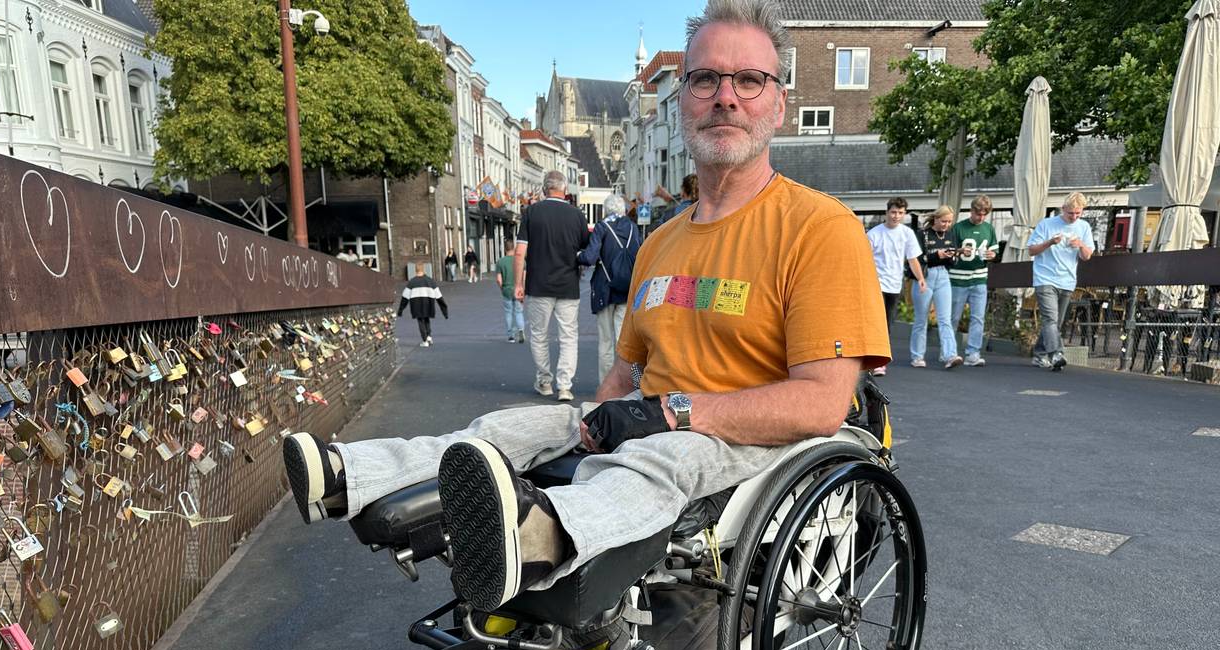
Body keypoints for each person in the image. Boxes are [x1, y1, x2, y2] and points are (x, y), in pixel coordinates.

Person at [282, 0, 889, 613]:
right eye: (705, 79)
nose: (725, 97)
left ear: (778, 103)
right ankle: (355, 479)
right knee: (508, 430)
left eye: (749, 80)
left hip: (748, 439)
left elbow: (820, 401)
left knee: (658, 456)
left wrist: (671, 413)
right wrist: (591, 424)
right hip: (653, 413)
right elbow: (625, 376)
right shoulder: (660, 244)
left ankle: (539, 536)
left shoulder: (820, 228)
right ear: (682, 101)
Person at [514, 170, 590, 402]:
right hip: (568, 286)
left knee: (539, 335)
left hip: (538, 285)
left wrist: (518, 284)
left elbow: (519, 252)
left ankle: (545, 381)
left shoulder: (531, 213)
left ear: (544, 189)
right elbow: (584, 251)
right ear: (565, 189)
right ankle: (565, 386)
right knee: (568, 336)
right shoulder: (577, 215)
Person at [579, 193, 644, 383]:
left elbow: (590, 257)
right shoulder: (633, 228)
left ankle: (607, 387)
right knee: (624, 343)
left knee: (606, 342)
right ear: (623, 210)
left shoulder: (601, 227)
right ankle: (630, 384)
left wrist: (577, 256)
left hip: (605, 290)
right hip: (627, 289)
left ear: (606, 210)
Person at [1027, 192, 1095, 371]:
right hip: (1045, 277)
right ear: (1063, 209)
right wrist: (1050, 242)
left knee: (1056, 322)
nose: (1074, 217)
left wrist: (1081, 245)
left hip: (1067, 280)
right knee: (1050, 318)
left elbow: (1087, 256)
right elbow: (1032, 250)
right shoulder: (1047, 224)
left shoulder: (1084, 227)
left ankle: (1040, 354)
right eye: (1070, 213)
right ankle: (1056, 353)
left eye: (1078, 213)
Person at [865, 197, 925, 376]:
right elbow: (865, 259)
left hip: (894, 284)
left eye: (900, 213)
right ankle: (875, 362)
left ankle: (881, 358)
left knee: (888, 323)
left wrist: (920, 278)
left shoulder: (906, 233)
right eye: (893, 212)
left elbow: (912, 258)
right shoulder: (875, 234)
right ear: (887, 212)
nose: (896, 216)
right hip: (876, 284)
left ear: (904, 214)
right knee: (877, 321)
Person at [949, 195, 1003, 366]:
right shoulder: (958, 228)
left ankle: (973, 353)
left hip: (979, 277)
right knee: (953, 318)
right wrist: (959, 251)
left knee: (978, 317)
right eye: (978, 214)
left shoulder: (989, 229)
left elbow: (995, 252)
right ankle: (949, 351)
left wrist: (993, 255)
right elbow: (948, 251)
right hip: (958, 279)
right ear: (971, 211)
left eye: (984, 215)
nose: (980, 217)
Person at [910, 205, 961, 369]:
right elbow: (917, 259)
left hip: (944, 275)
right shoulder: (922, 234)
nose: (946, 225)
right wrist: (936, 255)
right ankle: (917, 356)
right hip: (926, 275)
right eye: (943, 221)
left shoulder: (950, 234)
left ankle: (950, 354)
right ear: (935, 219)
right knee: (921, 318)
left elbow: (953, 261)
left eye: (949, 222)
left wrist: (952, 256)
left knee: (945, 318)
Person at [395, 265, 448, 348]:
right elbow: (439, 297)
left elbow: (404, 297)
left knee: (420, 321)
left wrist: (400, 310)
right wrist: (445, 312)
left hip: (416, 305)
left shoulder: (412, 282)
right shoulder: (430, 281)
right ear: (424, 269)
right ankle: (429, 336)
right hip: (428, 304)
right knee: (427, 319)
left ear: (415, 270)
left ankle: (424, 340)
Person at [493, 240, 526, 343]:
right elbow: (524, 277)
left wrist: (502, 288)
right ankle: (521, 330)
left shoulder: (500, 262)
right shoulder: (522, 261)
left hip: (507, 290)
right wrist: (522, 288)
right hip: (519, 289)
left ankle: (511, 336)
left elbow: (499, 279)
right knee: (519, 312)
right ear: (514, 248)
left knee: (508, 313)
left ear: (505, 249)